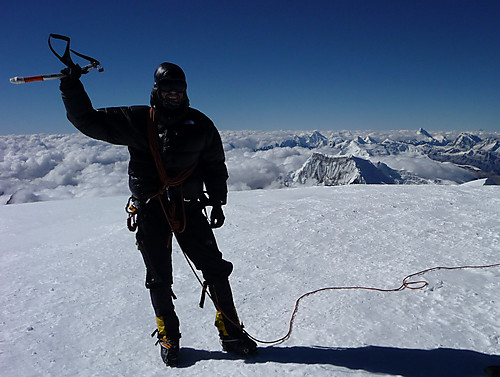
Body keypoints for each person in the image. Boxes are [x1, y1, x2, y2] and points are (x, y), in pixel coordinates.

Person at [59, 62, 257, 367]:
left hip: (190, 206)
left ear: (186, 91)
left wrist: (218, 202)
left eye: (179, 89)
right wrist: (71, 87)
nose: (174, 95)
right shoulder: (137, 120)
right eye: (168, 89)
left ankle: (231, 332)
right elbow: (88, 121)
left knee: (215, 268)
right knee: (159, 277)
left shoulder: (201, 124)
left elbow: (215, 165)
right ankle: (170, 336)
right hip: (152, 209)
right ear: (157, 90)